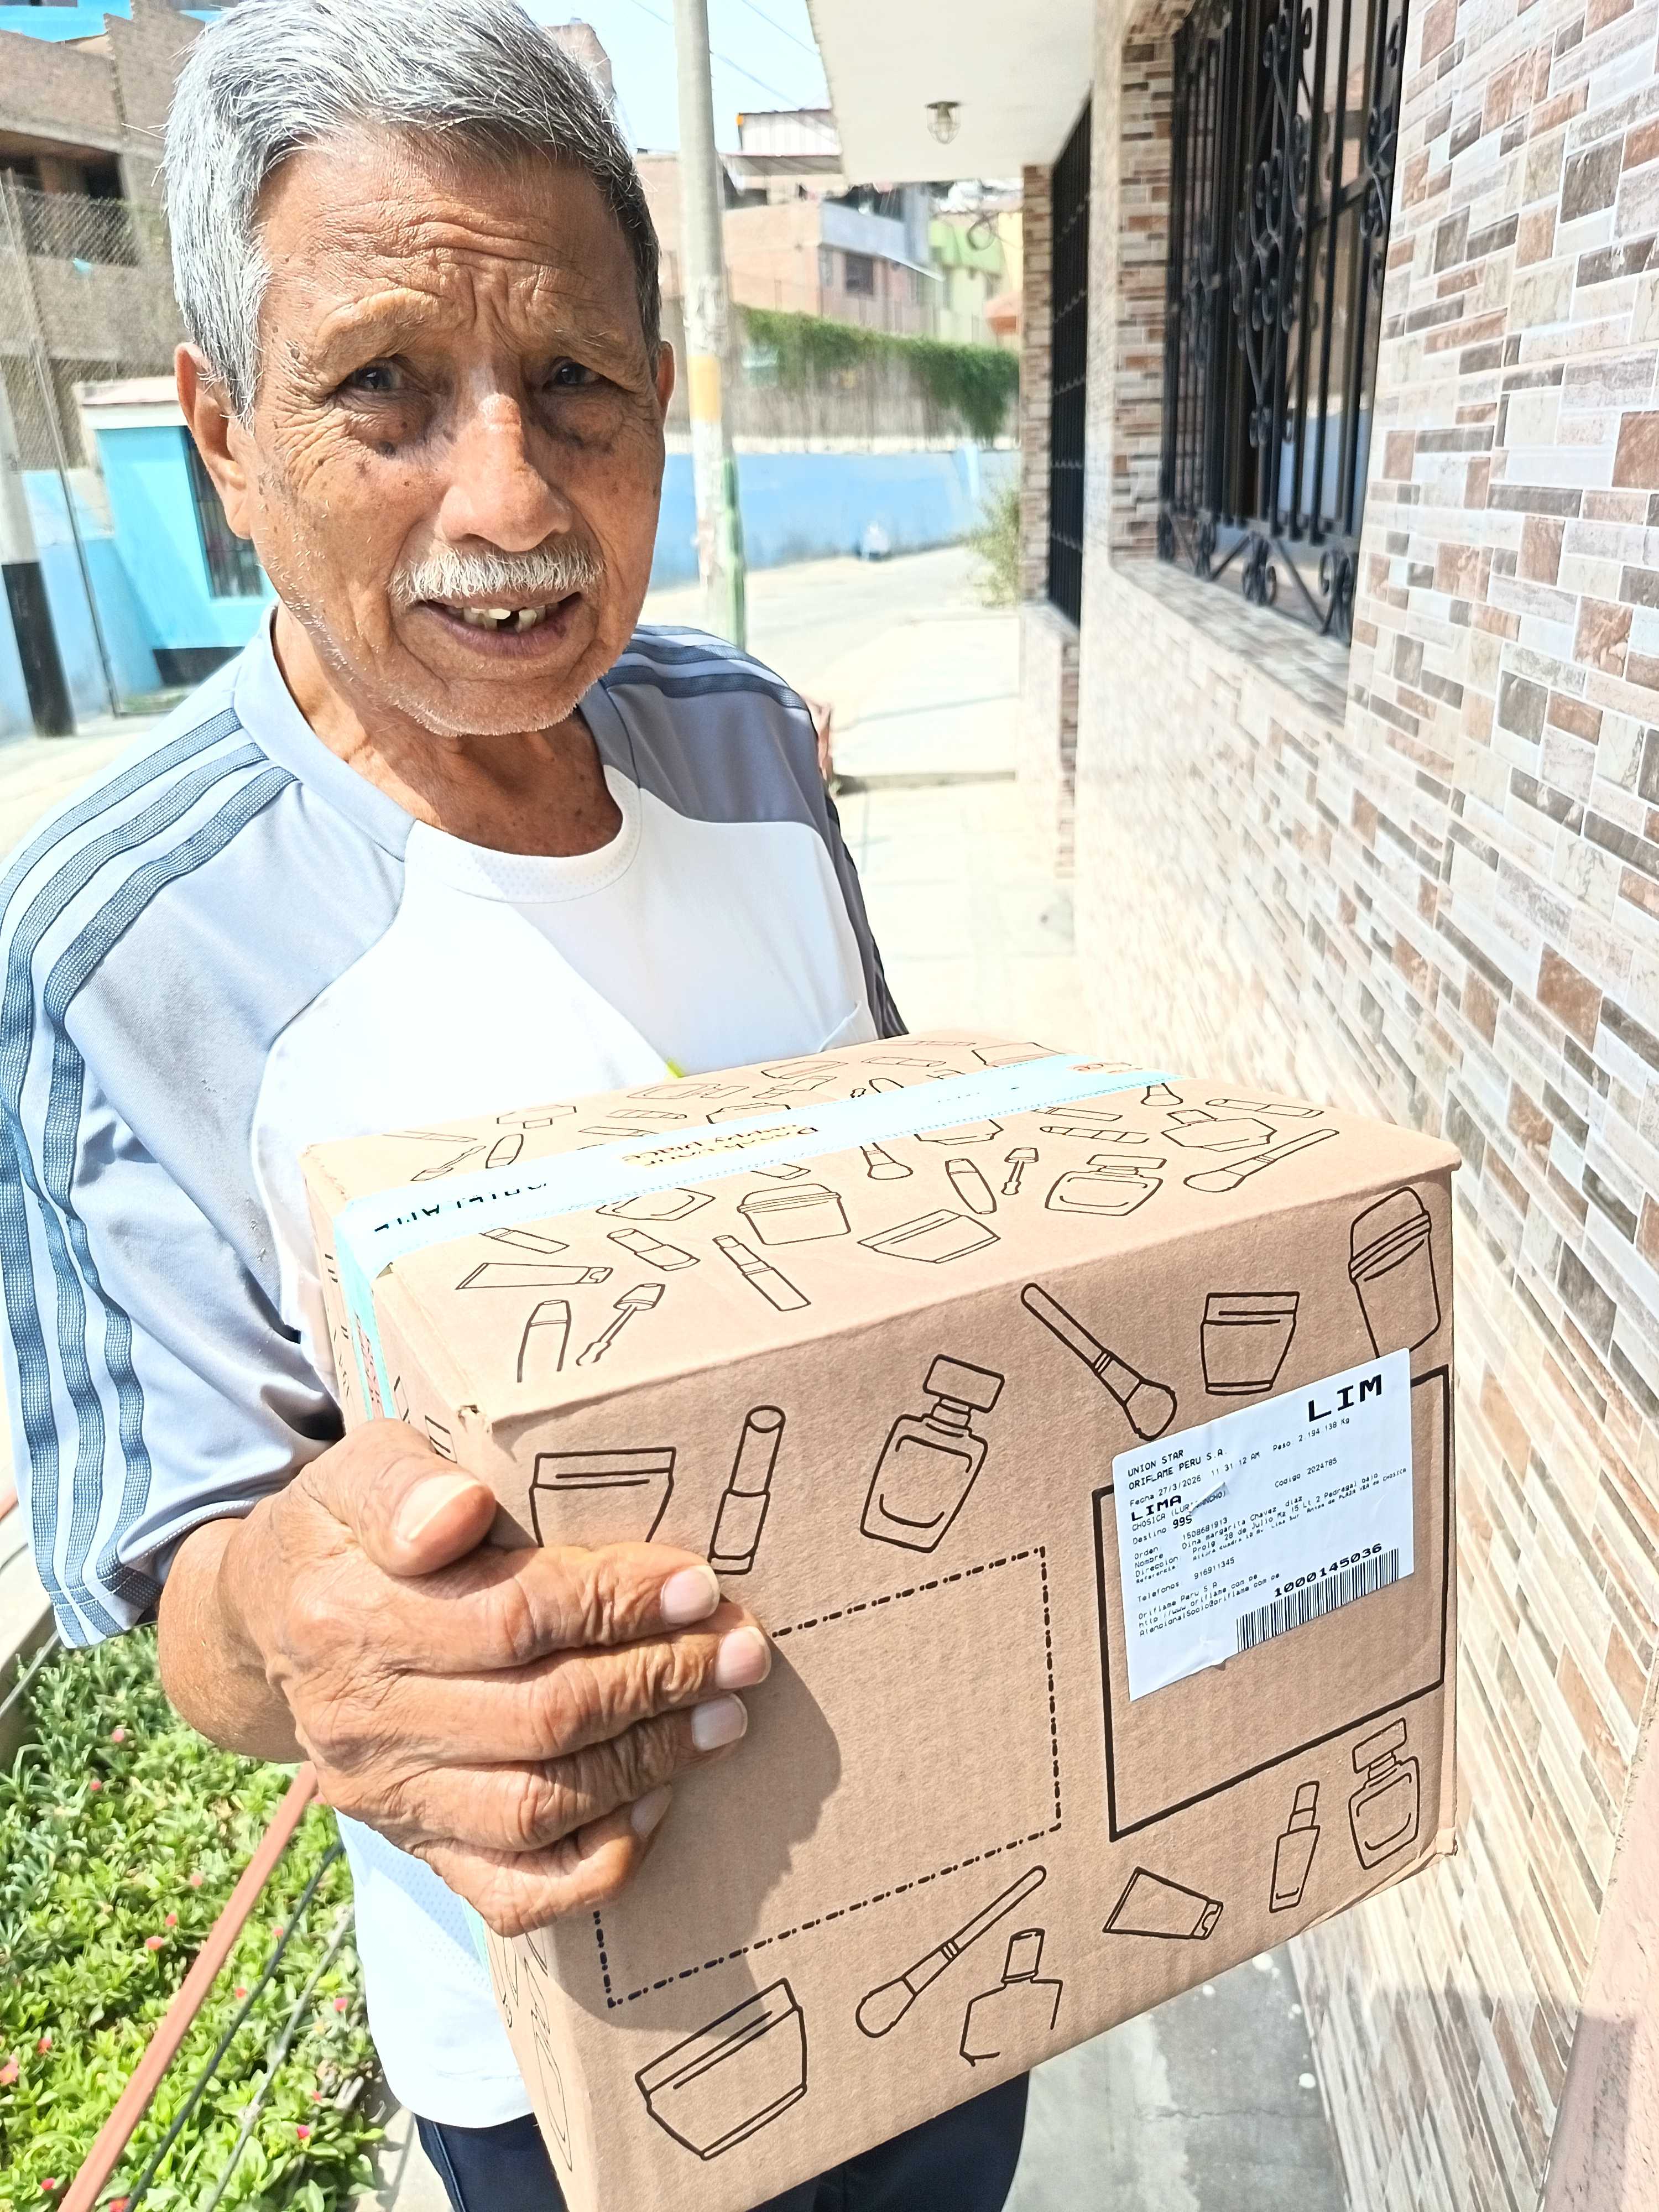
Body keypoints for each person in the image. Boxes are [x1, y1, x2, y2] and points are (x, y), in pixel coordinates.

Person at [0, 2, 1027, 2205]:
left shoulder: (749, 746)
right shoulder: (124, 945)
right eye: (383, 386)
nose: (510, 500)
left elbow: (897, 1194)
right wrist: (301, 1616)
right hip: (561, 2031)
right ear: (224, 434)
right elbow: (182, 1588)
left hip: (936, 1878)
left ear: (661, 391)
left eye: (575, 384)